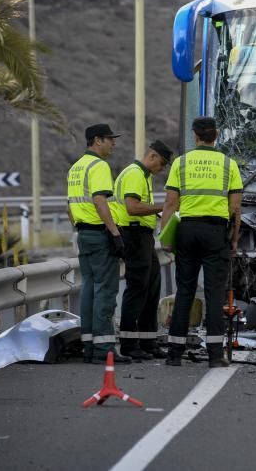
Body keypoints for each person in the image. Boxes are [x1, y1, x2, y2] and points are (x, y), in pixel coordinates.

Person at [160, 117, 243, 368]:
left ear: (195, 135)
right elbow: (235, 207)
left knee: (184, 290)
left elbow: (171, 203)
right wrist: (234, 238)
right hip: (215, 231)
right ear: (216, 135)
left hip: (187, 230)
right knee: (214, 293)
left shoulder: (180, 163)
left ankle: (175, 353)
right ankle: (216, 355)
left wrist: (166, 237)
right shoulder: (229, 165)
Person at [67, 123, 130, 364]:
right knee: (106, 289)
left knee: (89, 288)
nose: (113, 143)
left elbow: (69, 205)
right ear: (97, 140)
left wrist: (79, 228)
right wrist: (115, 233)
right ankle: (104, 349)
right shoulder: (98, 165)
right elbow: (99, 201)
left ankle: (89, 346)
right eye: (109, 139)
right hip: (99, 233)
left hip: (84, 234)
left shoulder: (76, 168)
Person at [110, 140, 174, 361]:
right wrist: (164, 207)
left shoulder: (143, 175)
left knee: (151, 287)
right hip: (133, 236)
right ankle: (129, 343)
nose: (162, 169)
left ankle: (149, 341)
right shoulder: (135, 173)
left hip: (144, 237)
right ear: (152, 157)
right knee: (137, 288)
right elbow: (132, 207)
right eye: (162, 164)